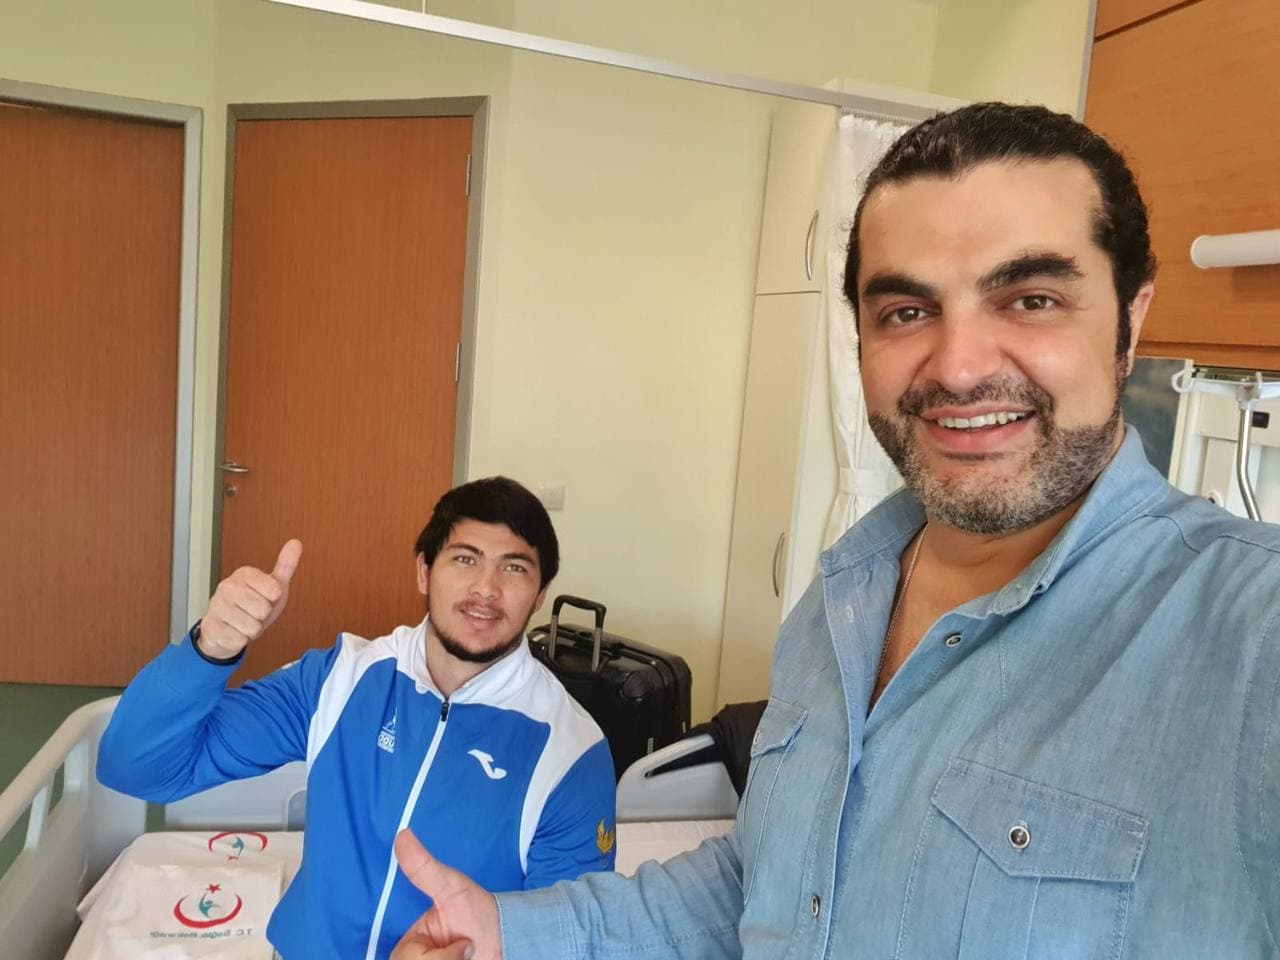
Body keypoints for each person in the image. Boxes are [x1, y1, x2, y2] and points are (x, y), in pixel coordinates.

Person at [382, 103, 1280, 959]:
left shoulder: (1245, 642)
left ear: (1132, 318)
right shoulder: (844, 599)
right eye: (906, 312)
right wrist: (517, 935)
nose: (959, 367)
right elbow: (769, 884)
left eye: (1030, 299)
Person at [96, 476, 616, 960]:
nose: (486, 588)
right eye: (465, 559)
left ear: (540, 594)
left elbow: (564, 941)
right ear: (424, 570)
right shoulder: (338, 679)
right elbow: (137, 768)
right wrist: (209, 649)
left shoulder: (570, 751)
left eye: (514, 568)